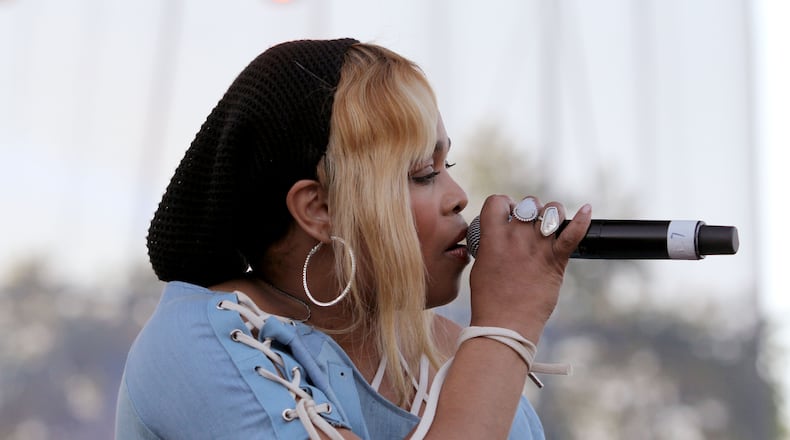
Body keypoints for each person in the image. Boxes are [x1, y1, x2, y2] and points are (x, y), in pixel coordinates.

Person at [115, 38, 592, 439]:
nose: (459, 197)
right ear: (320, 209)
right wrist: (505, 326)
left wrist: (492, 344)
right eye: (423, 173)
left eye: (447, 167)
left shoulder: (459, 359)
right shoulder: (202, 342)